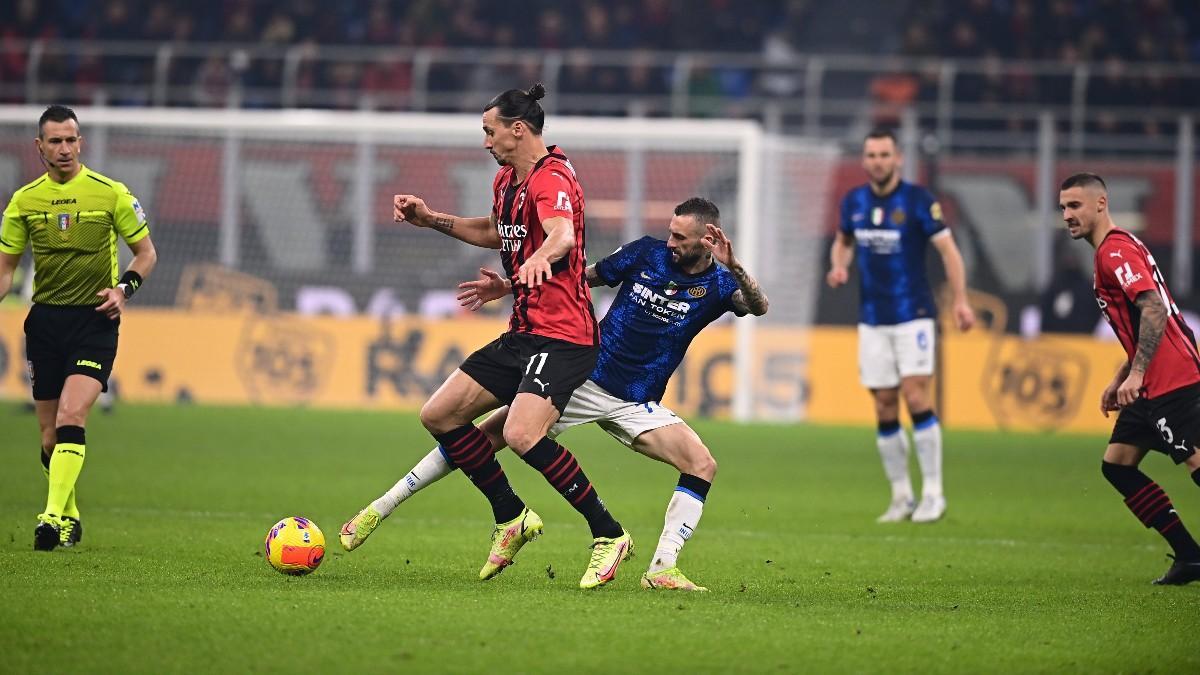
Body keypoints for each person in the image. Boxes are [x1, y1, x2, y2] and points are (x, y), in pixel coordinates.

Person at [341, 197, 768, 591]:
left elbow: (758, 305)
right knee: (488, 437)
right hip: (584, 377)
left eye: (680, 237)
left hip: (636, 399)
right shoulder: (646, 254)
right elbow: (580, 279)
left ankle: (661, 568)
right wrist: (511, 287)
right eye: (671, 232)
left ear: (707, 240)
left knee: (701, 464)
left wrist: (735, 266)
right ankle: (382, 506)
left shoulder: (717, 285)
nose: (671, 242)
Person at [385, 84, 630, 589]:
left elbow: (560, 232)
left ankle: (609, 533)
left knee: (520, 434)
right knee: (439, 414)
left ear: (518, 129)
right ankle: (511, 516)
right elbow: (497, 233)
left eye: (489, 131)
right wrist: (428, 218)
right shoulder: (505, 181)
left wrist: (546, 255)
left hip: (565, 337)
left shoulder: (553, 177)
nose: (485, 141)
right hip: (524, 331)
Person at [0, 104, 157, 551]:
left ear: (80, 142)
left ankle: (50, 518)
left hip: (95, 320)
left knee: (73, 414)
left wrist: (123, 289)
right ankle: (70, 515)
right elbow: (5, 270)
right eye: (55, 141)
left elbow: (146, 254)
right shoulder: (24, 201)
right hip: (46, 322)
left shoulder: (111, 194)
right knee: (49, 437)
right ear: (40, 147)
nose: (65, 148)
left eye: (71, 140)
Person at [826, 129, 975, 524]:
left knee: (916, 394)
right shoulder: (853, 202)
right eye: (871, 154)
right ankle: (901, 497)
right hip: (873, 319)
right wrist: (839, 264)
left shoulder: (918, 201)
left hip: (915, 315)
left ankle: (934, 494)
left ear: (898, 159)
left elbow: (949, 252)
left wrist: (960, 301)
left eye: (884, 154)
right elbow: (842, 241)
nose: (877, 160)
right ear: (864, 160)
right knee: (884, 404)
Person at [1062, 172, 1200, 585]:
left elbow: (1154, 308)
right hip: (1151, 379)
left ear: (1101, 203)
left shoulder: (1113, 253)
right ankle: (1191, 557)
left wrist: (1137, 372)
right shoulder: (1115, 247)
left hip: (1172, 377)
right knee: (1118, 464)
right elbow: (1142, 319)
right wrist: (1122, 375)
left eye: (1075, 206)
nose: (1067, 215)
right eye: (1063, 207)